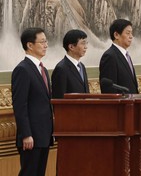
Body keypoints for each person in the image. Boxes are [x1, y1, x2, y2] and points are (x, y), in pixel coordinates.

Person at [11, 27, 54, 176]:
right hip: (31, 137)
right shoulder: (23, 70)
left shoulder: (42, 69)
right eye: (42, 42)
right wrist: (26, 134)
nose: (46, 45)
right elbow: (20, 105)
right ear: (30, 45)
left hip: (43, 135)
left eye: (46, 42)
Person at [99, 19, 138, 93]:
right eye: (128, 33)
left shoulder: (126, 56)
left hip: (131, 102)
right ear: (116, 35)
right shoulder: (109, 56)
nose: (131, 36)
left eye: (131, 33)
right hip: (121, 104)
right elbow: (109, 90)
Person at [52, 29, 89, 98]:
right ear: (71, 47)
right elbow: (59, 98)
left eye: (86, 43)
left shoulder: (82, 66)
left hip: (84, 108)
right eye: (83, 43)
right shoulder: (61, 68)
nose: (86, 47)